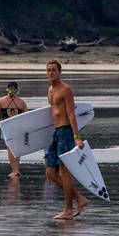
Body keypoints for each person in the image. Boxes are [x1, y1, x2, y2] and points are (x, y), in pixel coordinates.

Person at [43, 59, 89, 220]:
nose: (51, 73)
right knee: (50, 172)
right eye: (48, 70)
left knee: (64, 172)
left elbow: (71, 114)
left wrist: (77, 137)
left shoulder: (66, 89)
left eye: (54, 70)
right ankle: (79, 198)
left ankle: (68, 210)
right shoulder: (50, 90)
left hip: (67, 132)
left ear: (59, 72)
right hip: (56, 133)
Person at [0, 81, 29, 178]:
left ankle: (14, 171)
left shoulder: (2, 101)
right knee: (17, 149)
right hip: (18, 127)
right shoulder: (21, 102)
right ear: (17, 90)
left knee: (10, 150)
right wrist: (28, 130)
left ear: (7, 89)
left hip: (7, 127)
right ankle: (17, 170)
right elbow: (28, 117)